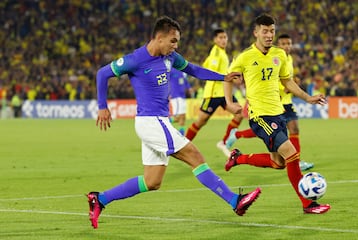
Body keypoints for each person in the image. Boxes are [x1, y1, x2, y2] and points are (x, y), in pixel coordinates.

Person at [87, 16, 261, 229]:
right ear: (159, 38)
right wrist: (102, 106)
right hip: (151, 122)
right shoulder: (135, 60)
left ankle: (100, 199)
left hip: (158, 122)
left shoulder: (170, 57)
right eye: (173, 41)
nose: (175, 46)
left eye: (177, 41)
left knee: (152, 181)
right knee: (195, 155)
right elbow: (102, 73)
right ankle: (235, 201)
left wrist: (223, 77)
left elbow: (194, 70)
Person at [223, 13, 330, 214]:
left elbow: (287, 81)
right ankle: (308, 204)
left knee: (278, 162)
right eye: (265, 31)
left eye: (272, 31)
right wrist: (229, 102)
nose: (269, 35)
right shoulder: (245, 57)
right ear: (256, 33)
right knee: (291, 153)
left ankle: (238, 158)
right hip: (260, 116)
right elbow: (228, 78)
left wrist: (307, 98)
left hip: (278, 113)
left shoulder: (279, 55)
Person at [225, 33, 314, 171]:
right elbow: (268, 82)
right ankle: (238, 135)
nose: (287, 46)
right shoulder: (263, 57)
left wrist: (298, 89)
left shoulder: (285, 58)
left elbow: (285, 79)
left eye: (289, 44)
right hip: (271, 103)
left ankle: (295, 160)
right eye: (283, 44)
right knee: (272, 133)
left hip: (285, 102)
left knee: (291, 134)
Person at [185, 29, 243, 157]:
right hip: (213, 93)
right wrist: (229, 77)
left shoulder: (221, 53)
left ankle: (223, 142)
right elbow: (210, 72)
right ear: (215, 40)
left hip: (224, 92)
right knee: (200, 122)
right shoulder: (216, 53)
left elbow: (206, 65)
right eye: (220, 37)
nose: (223, 40)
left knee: (239, 113)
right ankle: (183, 144)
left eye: (225, 37)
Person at [169, 68, 193, 135]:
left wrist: (189, 88)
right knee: (177, 117)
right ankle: (163, 122)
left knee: (183, 116)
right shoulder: (171, 70)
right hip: (175, 96)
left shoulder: (182, 71)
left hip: (182, 96)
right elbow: (166, 81)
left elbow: (185, 81)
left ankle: (181, 134)